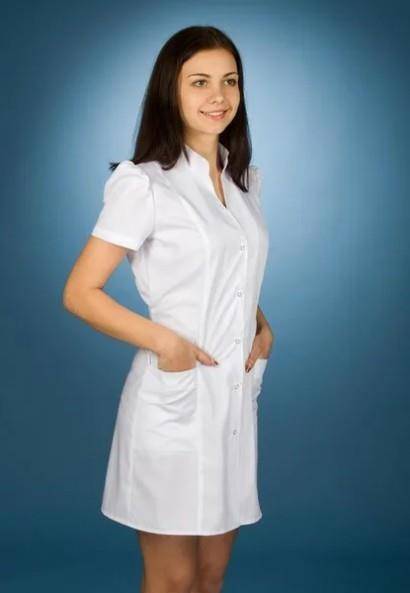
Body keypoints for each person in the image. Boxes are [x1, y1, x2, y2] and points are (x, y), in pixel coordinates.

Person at [63, 25, 274, 593]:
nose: (218, 96)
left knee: (210, 576)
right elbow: (80, 291)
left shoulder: (242, 179)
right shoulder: (145, 184)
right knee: (173, 580)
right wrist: (165, 342)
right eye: (199, 82)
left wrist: (261, 325)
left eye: (230, 81)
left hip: (232, 403)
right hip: (174, 407)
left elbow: (232, 272)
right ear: (170, 92)